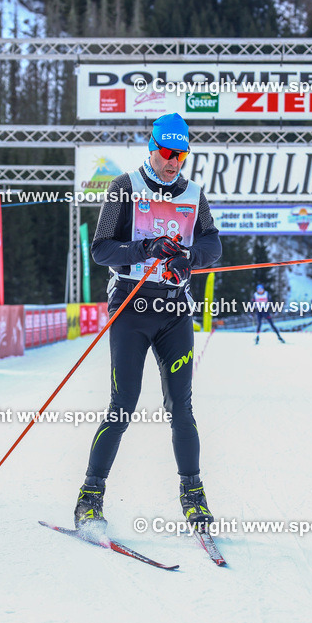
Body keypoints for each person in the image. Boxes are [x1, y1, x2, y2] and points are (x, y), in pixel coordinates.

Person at [74, 113, 222, 531]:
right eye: (168, 153)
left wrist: (189, 257)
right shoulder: (124, 187)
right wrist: (145, 248)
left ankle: (193, 497)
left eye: (181, 155)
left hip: (174, 311)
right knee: (123, 405)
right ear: (153, 148)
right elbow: (101, 250)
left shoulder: (193, 194)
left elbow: (212, 244)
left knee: (181, 407)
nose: (174, 161)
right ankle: (90, 496)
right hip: (131, 307)